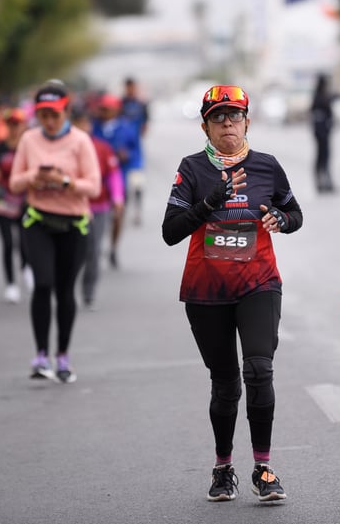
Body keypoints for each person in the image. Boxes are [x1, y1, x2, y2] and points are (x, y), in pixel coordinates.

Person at [161, 85, 303, 502]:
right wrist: (208, 203)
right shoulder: (191, 169)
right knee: (225, 385)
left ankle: (263, 468)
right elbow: (170, 232)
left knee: (259, 370)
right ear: (205, 125)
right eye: (219, 117)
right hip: (206, 291)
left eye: (235, 115)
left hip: (259, 283)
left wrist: (281, 218)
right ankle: (223, 468)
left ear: (247, 121)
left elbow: (294, 214)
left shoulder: (267, 166)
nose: (228, 123)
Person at [9, 82, 101, 383]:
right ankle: (40, 355)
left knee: (64, 289)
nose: (48, 121)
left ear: (66, 111)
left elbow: (94, 187)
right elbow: (14, 183)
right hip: (38, 221)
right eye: (43, 115)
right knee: (43, 283)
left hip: (73, 224)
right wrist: (34, 177)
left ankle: (62, 355)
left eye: (55, 115)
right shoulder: (29, 140)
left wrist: (65, 182)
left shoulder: (81, 141)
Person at [70, 106, 124, 310]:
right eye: (77, 124)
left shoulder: (101, 147)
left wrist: (117, 197)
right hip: (70, 207)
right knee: (73, 251)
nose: (82, 128)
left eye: (84, 123)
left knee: (93, 250)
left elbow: (113, 174)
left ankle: (88, 292)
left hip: (98, 207)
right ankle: (66, 290)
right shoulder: (64, 147)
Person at [0, 108, 31, 304]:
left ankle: (27, 267)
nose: (13, 128)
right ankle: (11, 284)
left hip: (25, 201)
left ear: (23, 126)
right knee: (8, 243)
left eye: (16, 124)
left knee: (25, 241)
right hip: (3, 201)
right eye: (10, 124)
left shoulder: (30, 147)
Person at [92, 93, 138, 269]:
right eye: (102, 109)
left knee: (117, 215)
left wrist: (128, 156)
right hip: (96, 177)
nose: (103, 112)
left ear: (116, 110)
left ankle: (113, 247)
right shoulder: (93, 127)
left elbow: (136, 151)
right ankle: (93, 248)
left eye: (107, 109)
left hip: (118, 176)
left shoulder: (126, 129)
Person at [120, 77, 150, 225]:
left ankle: (137, 211)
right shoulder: (121, 104)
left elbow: (145, 126)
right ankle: (122, 210)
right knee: (122, 184)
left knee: (137, 183)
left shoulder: (142, 105)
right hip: (121, 149)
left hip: (136, 150)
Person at [310, 73, 335, 192]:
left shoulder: (320, 96)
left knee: (324, 156)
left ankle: (325, 181)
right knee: (323, 156)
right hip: (322, 131)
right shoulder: (320, 96)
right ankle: (323, 182)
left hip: (322, 131)